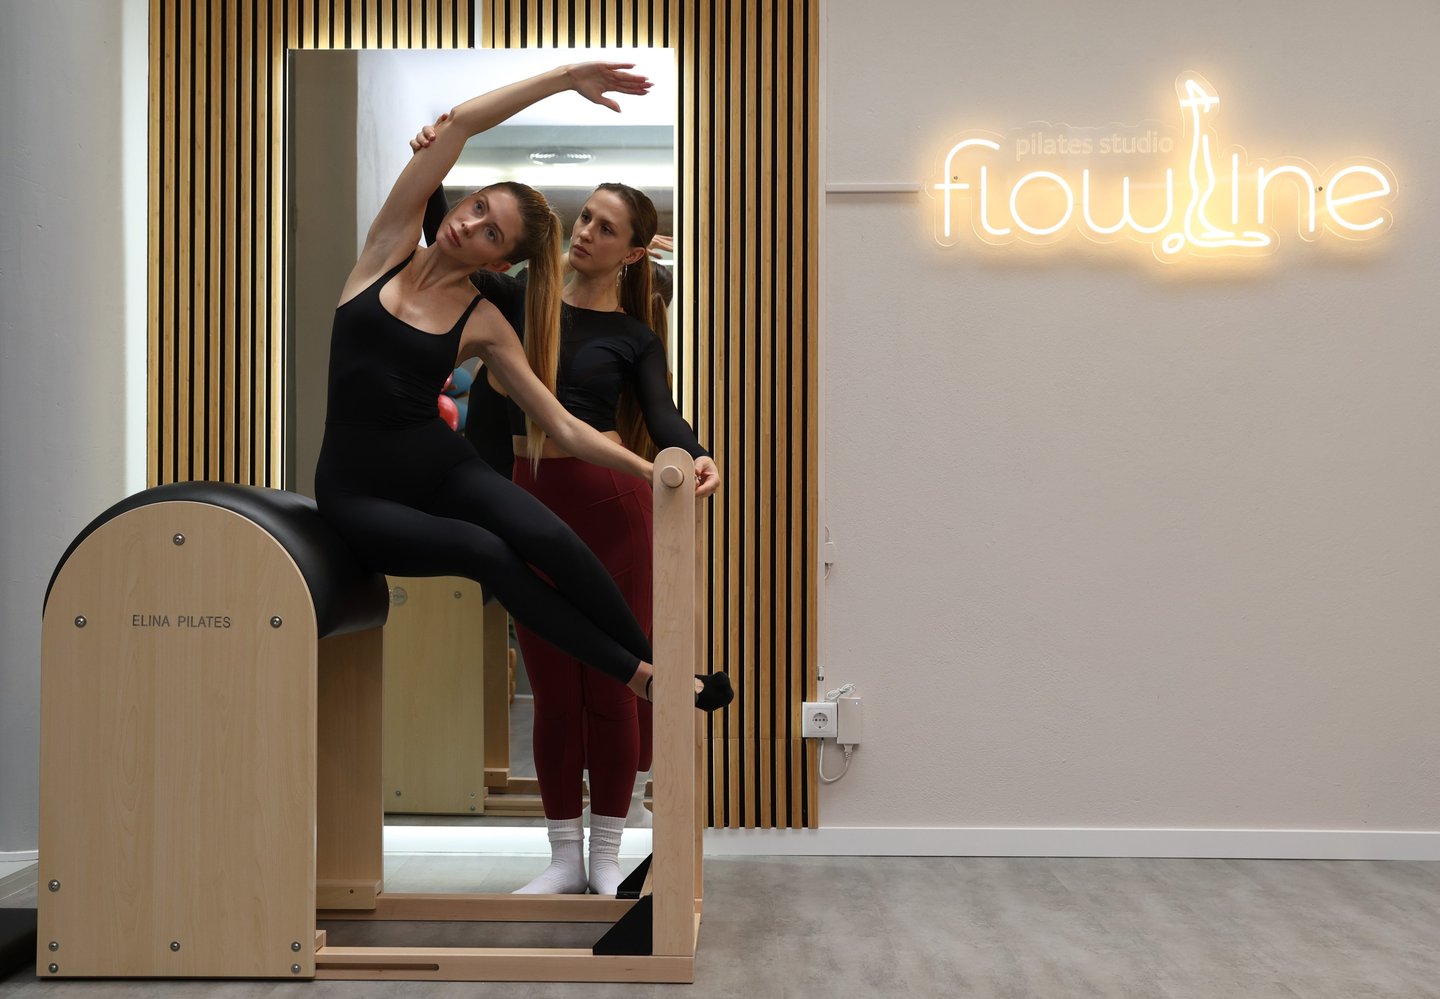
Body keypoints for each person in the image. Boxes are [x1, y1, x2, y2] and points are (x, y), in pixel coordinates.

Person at [313, 61, 735, 783]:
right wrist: (566, 78)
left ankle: (655, 675)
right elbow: (465, 123)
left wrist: (664, 467)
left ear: (498, 260)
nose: (470, 221)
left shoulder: (485, 315)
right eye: (476, 206)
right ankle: (647, 675)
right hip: (357, 492)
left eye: (489, 230)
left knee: (549, 537)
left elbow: (567, 427)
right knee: (490, 553)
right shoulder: (386, 250)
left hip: (441, 467)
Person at [411, 142, 718, 892]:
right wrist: (433, 158)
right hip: (527, 494)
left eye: (605, 228)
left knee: (611, 685)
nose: (585, 233)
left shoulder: (635, 336)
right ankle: (560, 858)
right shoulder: (519, 296)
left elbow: (661, 414)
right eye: (585, 218)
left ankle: (608, 857)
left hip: (611, 508)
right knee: (552, 686)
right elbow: (437, 231)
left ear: (634, 252)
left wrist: (700, 453)